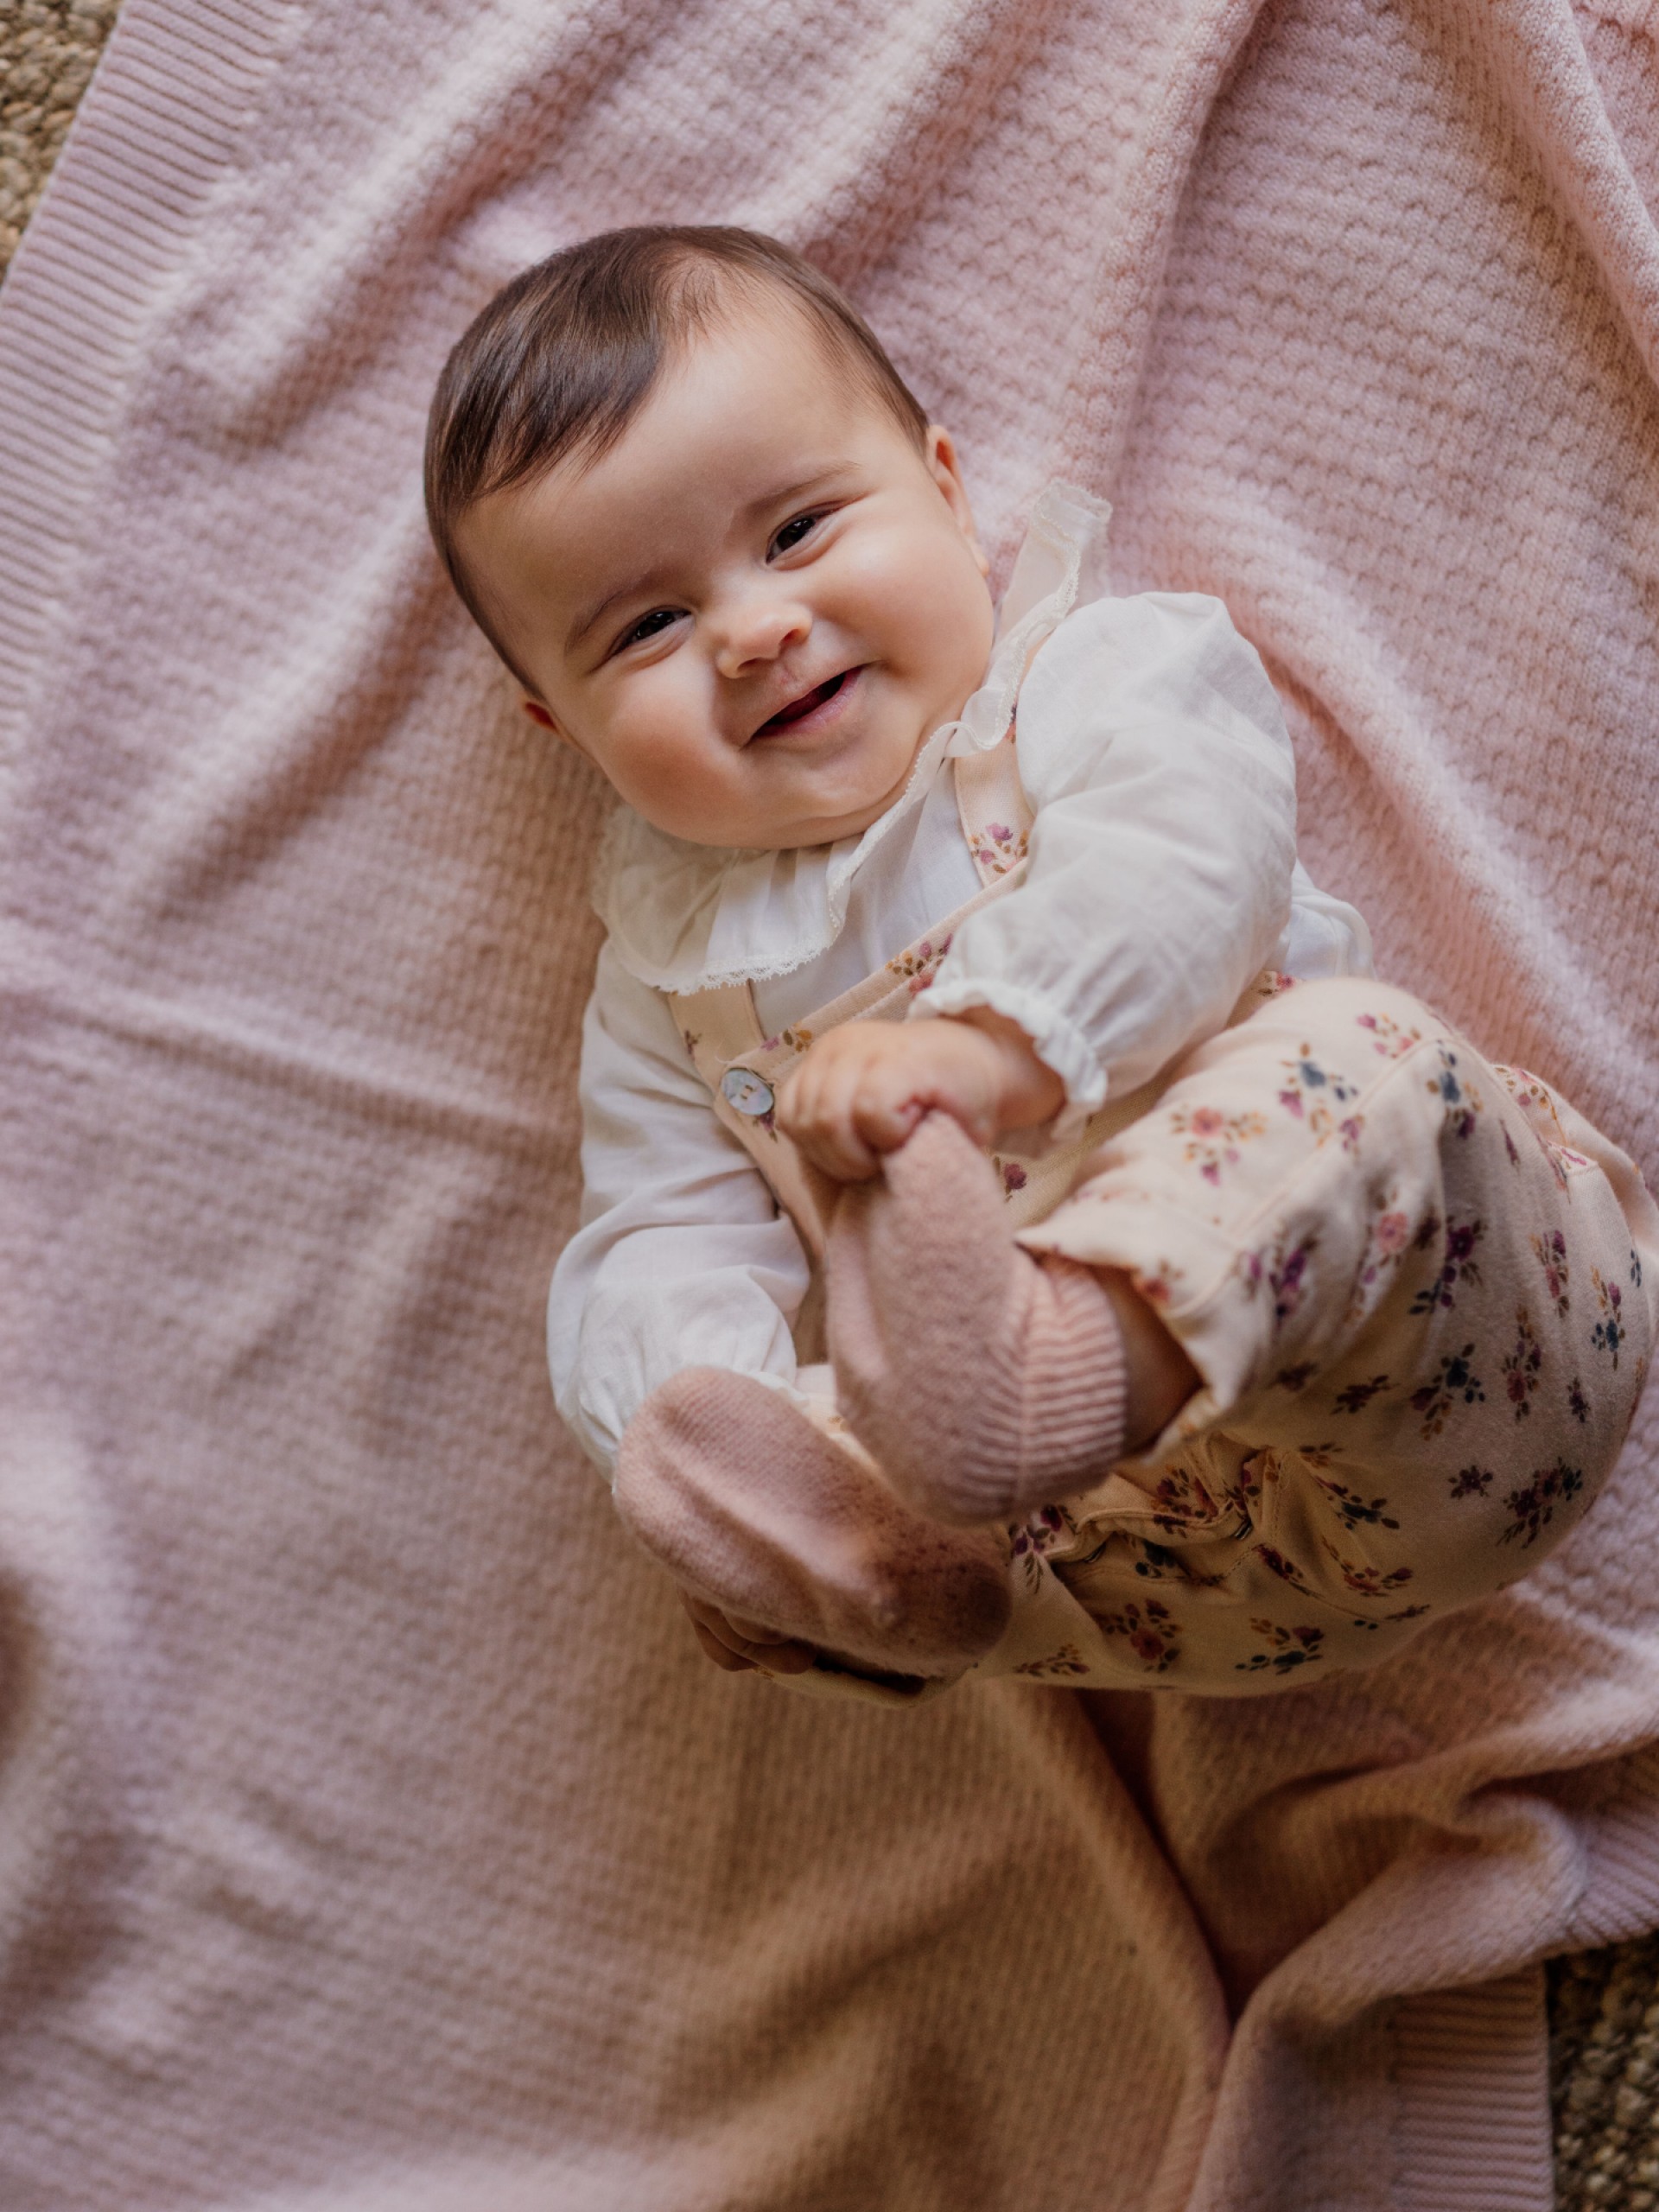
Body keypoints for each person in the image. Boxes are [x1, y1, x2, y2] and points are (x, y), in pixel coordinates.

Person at [424, 225, 1656, 1703]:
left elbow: (1186, 862)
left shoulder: (1092, 680)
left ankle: (1074, 1360)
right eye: (649, 625)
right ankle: (888, 1576)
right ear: (563, 727)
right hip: (1151, 1586)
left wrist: (992, 1047)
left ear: (944, 491)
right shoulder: (666, 985)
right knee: (766, 1438)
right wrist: (705, 1451)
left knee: (1368, 1069)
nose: (753, 630)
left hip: (1469, 1357)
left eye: (800, 530)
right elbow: (654, 1243)